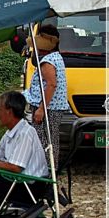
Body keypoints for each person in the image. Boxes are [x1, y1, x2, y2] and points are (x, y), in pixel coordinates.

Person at [22, 24, 70, 170]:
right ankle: (50, 170)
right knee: (51, 139)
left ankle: (45, 171)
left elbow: (51, 85)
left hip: (48, 108)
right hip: (54, 107)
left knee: (43, 140)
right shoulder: (56, 57)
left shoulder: (47, 61)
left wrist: (41, 109)